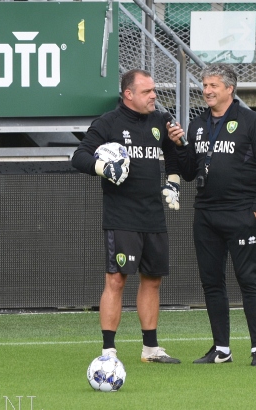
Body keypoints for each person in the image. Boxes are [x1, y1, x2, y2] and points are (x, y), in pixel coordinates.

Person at [167, 64, 256, 367]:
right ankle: (221, 349)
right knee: (212, 282)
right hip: (205, 215)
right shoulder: (197, 124)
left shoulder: (251, 121)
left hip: (241, 214)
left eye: (213, 85)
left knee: (248, 280)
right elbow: (189, 172)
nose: (207, 90)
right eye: (204, 85)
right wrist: (179, 146)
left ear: (230, 88)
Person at [72, 69, 182, 364]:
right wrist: (103, 169)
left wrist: (173, 180)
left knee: (153, 280)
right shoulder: (108, 122)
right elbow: (79, 156)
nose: (154, 96)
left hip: (154, 216)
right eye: (147, 92)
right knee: (116, 280)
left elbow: (174, 156)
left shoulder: (162, 121)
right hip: (122, 216)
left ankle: (150, 349)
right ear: (128, 94)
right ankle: (108, 351)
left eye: (154, 90)